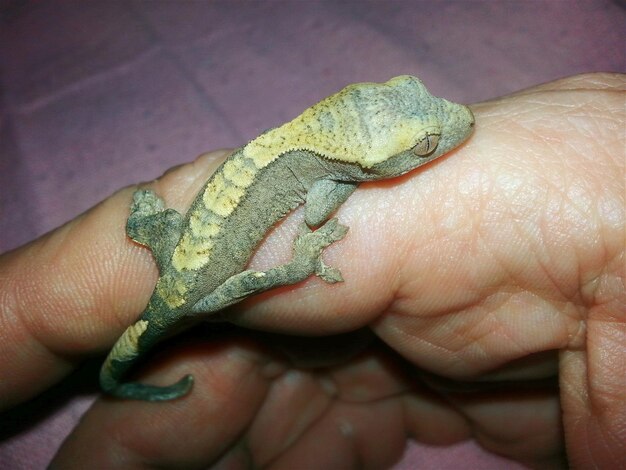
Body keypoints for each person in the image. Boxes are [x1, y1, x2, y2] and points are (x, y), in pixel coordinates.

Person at [0, 73, 623, 468]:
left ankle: (141, 287)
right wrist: (301, 259)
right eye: (427, 145)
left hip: (182, 258)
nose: (457, 118)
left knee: (155, 220)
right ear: (367, 162)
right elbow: (319, 212)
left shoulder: (321, 155)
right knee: (236, 287)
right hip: (196, 289)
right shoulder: (328, 180)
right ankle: (131, 372)